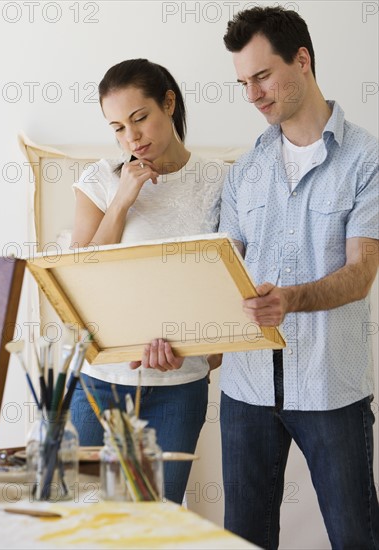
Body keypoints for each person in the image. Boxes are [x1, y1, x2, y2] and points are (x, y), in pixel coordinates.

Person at [218, 6, 379, 549]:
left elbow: (360, 275)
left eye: (262, 76)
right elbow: (222, 277)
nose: (254, 94)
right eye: (244, 82)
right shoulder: (245, 170)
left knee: (356, 538)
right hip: (246, 389)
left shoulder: (367, 159)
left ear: (303, 60)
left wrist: (290, 300)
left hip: (330, 387)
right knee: (244, 541)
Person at [70, 58, 227, 504]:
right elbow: (78, 277)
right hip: (98, 381)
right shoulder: (100, 181)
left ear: (169, 104)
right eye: (118, 127)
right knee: (81, 524)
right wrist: (121, 202)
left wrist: (201, 354)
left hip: (178, 388)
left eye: (140, 118)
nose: (132, 138)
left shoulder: (220, 180)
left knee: (154, 524)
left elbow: (230, 287)